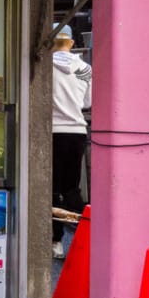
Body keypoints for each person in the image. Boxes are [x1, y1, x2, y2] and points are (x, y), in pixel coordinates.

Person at [51, 22, 91, 258]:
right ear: (72, 43)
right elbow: (87, 103)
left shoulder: (45, 66)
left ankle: (56, 241)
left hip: (53, 132)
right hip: (77, 132)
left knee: (53, 189)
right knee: (71, 188)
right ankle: (85, 234)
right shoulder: (85, 68)